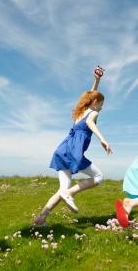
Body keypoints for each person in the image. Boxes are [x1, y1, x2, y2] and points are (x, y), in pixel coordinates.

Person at [34, 68, 112, 226]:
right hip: (73, 153)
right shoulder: (93, 114)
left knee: (61, 190)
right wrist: (103, 139)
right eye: (101, 104)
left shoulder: (82, 111)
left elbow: (91, 94)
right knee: (98, 177)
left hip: (62, 151)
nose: (102, 108)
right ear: (96, 103)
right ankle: (69, 193)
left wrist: (97, 80)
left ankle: (40, 219)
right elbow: (91, 123)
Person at [116, 157, 138, 227]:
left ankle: (126, 211)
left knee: (135, 200)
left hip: (133, 171)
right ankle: (131, 203)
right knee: (133, 202)